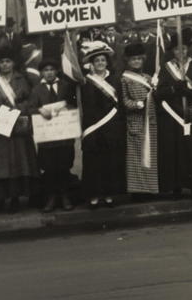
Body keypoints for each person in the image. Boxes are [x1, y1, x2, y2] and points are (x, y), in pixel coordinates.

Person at [155, 29, 192, 202]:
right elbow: (159, 93)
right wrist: (173, 89)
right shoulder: (166, 68)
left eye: (184, 49)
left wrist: (189, 90)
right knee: (175, 152)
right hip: (173, 116)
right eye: (178, 49)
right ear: (173, 51)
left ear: (188, 50)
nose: (181, 52)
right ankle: (176, 187)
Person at [0, 45, 37, 212]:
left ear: (13, 63)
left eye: (8, 61)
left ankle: (15, 198)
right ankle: (0, 198)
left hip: (18, 127)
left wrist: (20, 109)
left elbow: (31, 100)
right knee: (0, 165)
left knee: (18, 163)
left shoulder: (22, 79)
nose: (5, 65)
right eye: (1, 62)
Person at [80, 42, 126, 208]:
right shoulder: (86, 82)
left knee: (110, 161)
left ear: (107, 62)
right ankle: (93, 195)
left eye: (102, 60)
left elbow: (120, 102)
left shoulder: (115, 79)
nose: (100, 63)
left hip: (111, 126)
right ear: (92, 63)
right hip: (93, 126)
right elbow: (86, 104)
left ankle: (108, 194)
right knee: (93, 162)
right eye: (97, 60)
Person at [30, 58, 78, 211]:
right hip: (46, 137)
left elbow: (75, 104)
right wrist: (38, 110)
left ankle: (65, 196)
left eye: (52, 69)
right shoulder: (36, 89)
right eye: (46, 70)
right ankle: (51, 198)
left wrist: (65, 106)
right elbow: (30, 108)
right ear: (42, 73)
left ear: (56, 71)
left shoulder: (66, 86)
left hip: (64, 135)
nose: (49, 73)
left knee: (64, 165)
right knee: (49, 167)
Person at [121, 41, 160, 197]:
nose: (136, 62)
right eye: (133, 59)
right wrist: (135, 104)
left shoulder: (148, 77)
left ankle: (150, 188)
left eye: (139, 59)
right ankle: (137, 190)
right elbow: (124, 100)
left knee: (150, 155)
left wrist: (155, 87)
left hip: (150, 120)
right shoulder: (124, 79)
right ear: (128, 61)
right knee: (136, 157)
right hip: (135, 120)